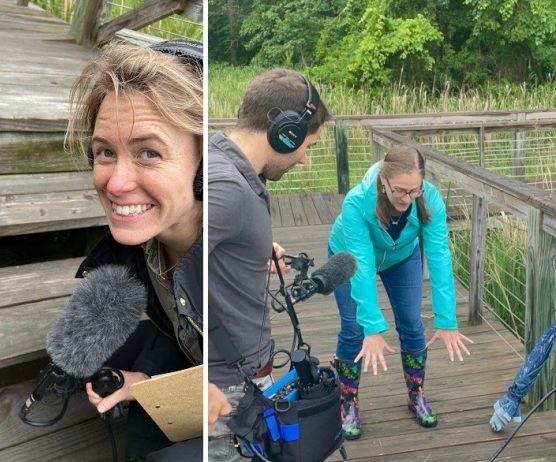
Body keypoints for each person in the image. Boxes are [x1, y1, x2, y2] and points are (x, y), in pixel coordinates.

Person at [66, 40, 203, 461]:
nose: (115, 183)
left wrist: (147, 383)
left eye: (148, 152)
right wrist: (146, 380)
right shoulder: (146, 241)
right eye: (105, 152)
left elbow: (245, 385)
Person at [208, 68, 332, 461]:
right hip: (225, 383)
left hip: (242, 372)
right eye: (307, 145)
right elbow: (167, 269)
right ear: (286, 133)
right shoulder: (227, 189)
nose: (305, 160)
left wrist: (247, 252)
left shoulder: (222, 164)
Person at [328, 144, 474, 440]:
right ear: (384, 180)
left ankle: (416, 394)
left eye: (414, 191)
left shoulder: (430, 199)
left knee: (411, 323)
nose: (407, 199)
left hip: (401, 256)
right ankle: (348, 402)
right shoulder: (356, 203)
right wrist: (372, 326)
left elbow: (439, 255)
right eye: (400, 191)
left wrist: (447, 319)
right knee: (355, 329)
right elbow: (363, 264)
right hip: (349, 257)